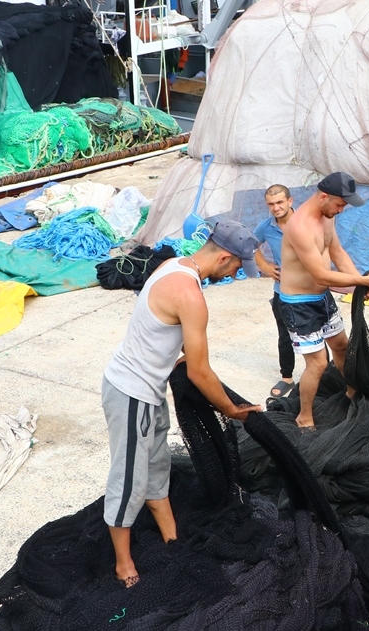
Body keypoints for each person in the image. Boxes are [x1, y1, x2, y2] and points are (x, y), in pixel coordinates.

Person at [102, 220, 262, 587]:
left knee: (157, 467)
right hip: (130, 392)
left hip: (150, 389)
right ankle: (123, 564)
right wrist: (232, 411)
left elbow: (160, 335)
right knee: (128, 480)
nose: (236, 273)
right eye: (237, 266)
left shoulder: (171, 264)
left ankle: (171, 538)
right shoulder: (190, 296)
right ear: (224, 257)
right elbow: (200, 371)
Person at [279, 172, 369, 432]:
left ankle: (351, 391)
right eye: (340, 204)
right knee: (317, 363)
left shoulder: (328, 216)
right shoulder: (300, 226)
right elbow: (320, 273)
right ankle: (305, 416)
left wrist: (360, 281)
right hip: (299, 304)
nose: (342, 209)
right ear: (324, 196)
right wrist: (362, 282)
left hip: (322, 298)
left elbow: (337, 252)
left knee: (342, 346)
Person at [253, 184, 297, 398]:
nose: (276, 207)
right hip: (282, 291)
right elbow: (250, 246)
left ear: (290, 201)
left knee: (318, 333)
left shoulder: (305, 223)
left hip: (310, 290)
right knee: (284, 335)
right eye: (271, 204)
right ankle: (287, 378)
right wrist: (266, 266)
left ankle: (323, 376)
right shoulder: (266, 226)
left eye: (280, 202)